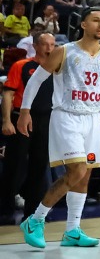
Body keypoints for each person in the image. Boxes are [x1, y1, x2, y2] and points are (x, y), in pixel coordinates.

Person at [19, 8, 100, 248]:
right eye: (96, 20)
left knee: (84, 175)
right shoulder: (64, 51)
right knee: (76, 170)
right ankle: (35, 220)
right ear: (84, 24)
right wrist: (25, 111)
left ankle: (72, 230)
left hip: (92, 118)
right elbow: (36, 81)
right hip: (67, 116)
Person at [2, 32, 55, 223]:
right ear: (35, 46)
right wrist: (6, 121)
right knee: (14, 165)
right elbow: (8, 94)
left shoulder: (56, 70)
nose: (50, 48)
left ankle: (33, 212)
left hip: (45, 120)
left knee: (39, 166)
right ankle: (5, 209)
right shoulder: (22, 65)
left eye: (53, 44)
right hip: (21, 119)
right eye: (45, 44)